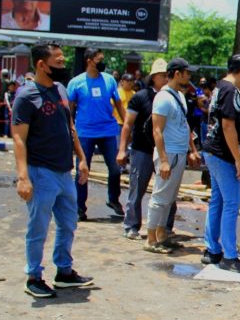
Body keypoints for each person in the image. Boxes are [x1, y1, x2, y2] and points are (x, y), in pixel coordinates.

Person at [12, 43, 93, 298]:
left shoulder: (60, 90)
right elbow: (18, 139)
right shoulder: (26, 96)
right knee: (38, 227)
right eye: (58, 62)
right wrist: (23, 177)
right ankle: (34, 276)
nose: (63, 66)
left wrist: (81, 158)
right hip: (41, 172)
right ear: (41, 65)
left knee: (68, 223)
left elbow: (70, 126)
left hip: (64, 172)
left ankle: (64, 271)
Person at [201, 54, 240, 271]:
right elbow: (228, 126)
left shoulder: (220, 88)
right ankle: (229, 256)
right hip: (223, 155)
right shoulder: (230, 91)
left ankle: (212, 249)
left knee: (218, 201)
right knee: (231, 203)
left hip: (215, 152)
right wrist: (239, 160)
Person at [144, 58, 200, 253]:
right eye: (187, 72)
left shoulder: (180, 96)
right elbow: (157, 130)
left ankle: (161, 235)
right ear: (177, 73)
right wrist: (164, 159)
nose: (189, 76)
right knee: (159, 196)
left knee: (169, 198)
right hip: (169, 153)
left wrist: (192, 149)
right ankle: (150, 239)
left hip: (179, 152)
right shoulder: (163, 98)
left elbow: (185, 125)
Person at [67, 48, 126, 220]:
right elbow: (70, 109)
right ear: (89, 61)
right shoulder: (76, 83)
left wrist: (127, 125)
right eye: (99, 59)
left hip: (107, 131)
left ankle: (113, 199)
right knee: (82, 172)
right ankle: (79, 208)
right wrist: (69, 130)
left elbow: (118, 104)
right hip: (85, 132)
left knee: (115, 169)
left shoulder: (109, 80)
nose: (103, 62)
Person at [117, 59, 171, 240]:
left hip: (165, 151)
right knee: (137, 188)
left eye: (168, 75)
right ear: (154, 77)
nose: (166, 79)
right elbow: (127, 124)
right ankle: (131, 225)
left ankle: (165, 227)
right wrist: (122, 149)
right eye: (163, 76)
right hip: (143, 149)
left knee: (167, 190)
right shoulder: (141, 97)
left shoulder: (173, 97)